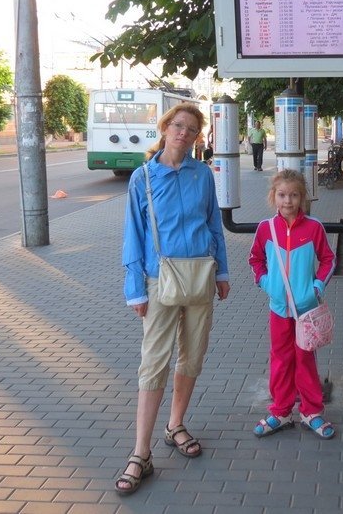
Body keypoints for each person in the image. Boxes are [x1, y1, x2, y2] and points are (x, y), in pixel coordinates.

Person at [115, 103, 231, 496]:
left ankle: (175, 424)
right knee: (153, 364)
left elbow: (214, 222)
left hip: (200, 276)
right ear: (165, 129)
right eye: (178, 126)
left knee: (192, 355)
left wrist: (224, 272)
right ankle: (140, 453)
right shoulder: (143, 177)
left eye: (191, 129)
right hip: (157, 280)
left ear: (198, 137)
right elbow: (133, 233)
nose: (184, 133)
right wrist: (134, 288)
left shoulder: (202, 175)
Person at [248, 169, 337, 439]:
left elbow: (328, 260)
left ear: (302, 197)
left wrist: (316, 287)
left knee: (305, 359)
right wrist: (267, 284)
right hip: (278, 309)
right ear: (273, 196)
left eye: (294, 195)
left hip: (305, 310)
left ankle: (311, 412)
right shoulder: (266, 229)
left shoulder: (313, 228)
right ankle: (281, 411)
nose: (288, 201)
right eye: (282, 195)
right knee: (280, 359)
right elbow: (255, 260)